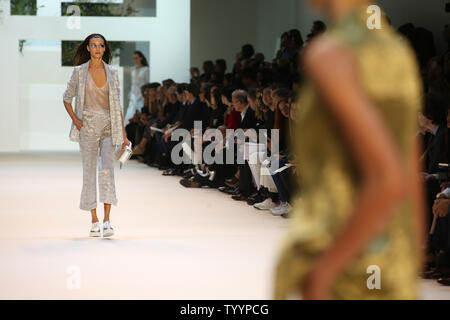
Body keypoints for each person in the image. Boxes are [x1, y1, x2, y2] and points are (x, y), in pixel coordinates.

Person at [274, 0, 425, 299]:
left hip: (340, 249)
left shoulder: (333, 54)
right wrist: (407, 262)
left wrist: (323, 272)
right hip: (388, 252)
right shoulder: (397, 53)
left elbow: (386, 175)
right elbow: (407, 174)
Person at [63, 33, 131, 238]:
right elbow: (67, 97)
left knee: (107, 170)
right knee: (89, 171)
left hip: (109, 126)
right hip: (88, 127)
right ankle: (94, 220)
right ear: (87, 49)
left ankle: (108, 221)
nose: (97, 49)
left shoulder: (112, 72)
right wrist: (76, 120)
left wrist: (124, 135)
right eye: (93, 45)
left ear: (104, 49)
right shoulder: (79, 72)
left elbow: (117, 104)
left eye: (101, 45)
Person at [124, 50, 150, 125]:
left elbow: (147, 83)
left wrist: (145, 96)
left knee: (139, 115)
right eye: (134, 58)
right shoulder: (133, 69)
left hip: (142, 96)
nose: (135, 60)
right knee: (129, 115)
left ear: (141, 58)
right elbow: (132, 83)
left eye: (136, 58)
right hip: (133, 96)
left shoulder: (146, 69)